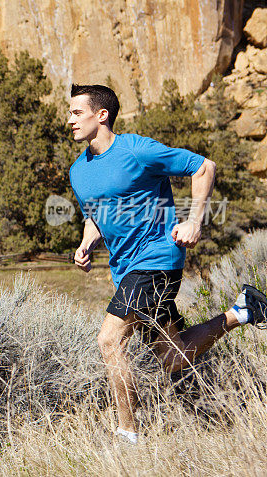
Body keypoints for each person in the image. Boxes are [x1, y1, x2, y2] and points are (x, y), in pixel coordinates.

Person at [67, 84, 267, 445]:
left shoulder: (136, 150)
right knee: (172, 357)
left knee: (110, 341)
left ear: (102, 115)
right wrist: (86, 243)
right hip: (125, 269)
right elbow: (95, 215)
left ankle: (128, 434)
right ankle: (242, 311)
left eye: (77, 113)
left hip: (157, 259)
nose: (70, 120)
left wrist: (194, 220)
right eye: (69, 113)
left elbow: (204, 167)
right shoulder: (78, 171)